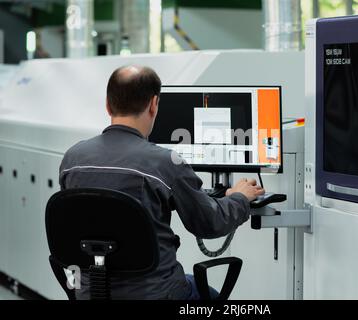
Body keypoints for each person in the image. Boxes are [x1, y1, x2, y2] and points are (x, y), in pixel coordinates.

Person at [59, 65, 265, 300]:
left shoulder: (72, 158)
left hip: (90, 290)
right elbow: (209, 223)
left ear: (107, 105)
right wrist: (240, 197)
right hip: (155, 293)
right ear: (154, 104)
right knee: (210, 297)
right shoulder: (165, 162)